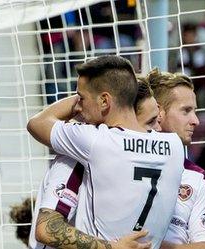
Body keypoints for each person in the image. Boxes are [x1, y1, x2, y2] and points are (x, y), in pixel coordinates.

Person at [27, 55, 185, 249]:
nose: (79, 105)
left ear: (104, 101)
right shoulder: (175, 147)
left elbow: (36, 123)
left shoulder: (94, 141)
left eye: (81, 98)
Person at [143, 69, 205, 249]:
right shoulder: (119, 156)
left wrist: (152, 245)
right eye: (186, 111)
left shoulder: (197, 177)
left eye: (195, 111)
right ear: (158, 112)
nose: (196, 121)